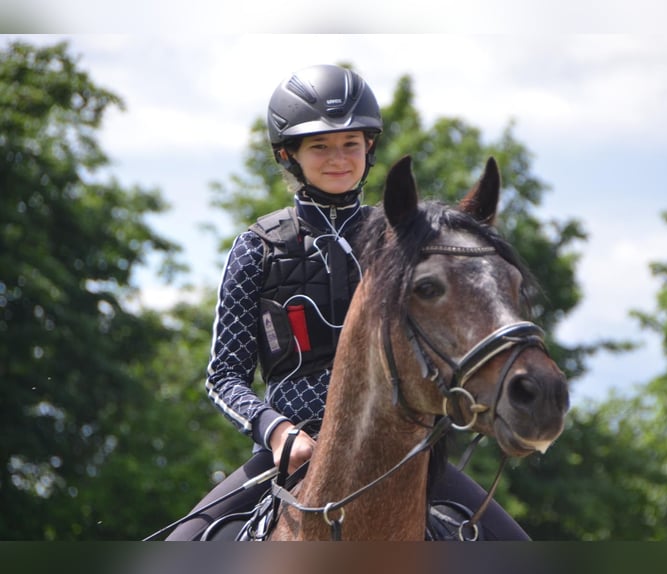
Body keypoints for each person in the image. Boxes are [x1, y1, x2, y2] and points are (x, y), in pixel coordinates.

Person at [165, 64, 530, 541]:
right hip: (290, 447)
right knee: (180, 545)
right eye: (319, 146)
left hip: (403, 448)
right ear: (288, 154)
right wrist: (275, 431)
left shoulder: (408, 243)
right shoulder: (257, 247)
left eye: (351, 145)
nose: (338, 158)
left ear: (369, 149)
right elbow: (223, 377)